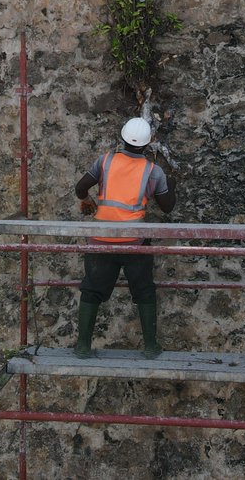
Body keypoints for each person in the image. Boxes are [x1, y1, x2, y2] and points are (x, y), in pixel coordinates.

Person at [73, 116, 176, 359]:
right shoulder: (153, 171)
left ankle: (82, 346)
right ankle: (150, 347)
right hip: (134, 243)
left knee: (91, 290)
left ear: (122, 137)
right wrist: (171, 185)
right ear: (147, 144)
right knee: (144, 291)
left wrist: (87, 201)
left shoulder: (105, 161)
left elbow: (80, 187)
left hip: (100, 240)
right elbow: (168, 207)